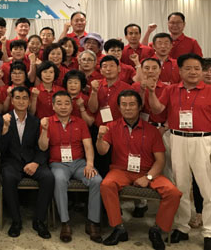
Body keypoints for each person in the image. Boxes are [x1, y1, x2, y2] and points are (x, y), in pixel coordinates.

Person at [97, 89, 181, 250]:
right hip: (121, 170)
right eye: (124, 105)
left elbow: (160, 161)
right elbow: (102, 151)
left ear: (140, 106)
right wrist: (100, 137)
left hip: (147, 171)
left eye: (132, 104)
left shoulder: (152, 131)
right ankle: (118, 228)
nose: (128, 108)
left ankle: (157, 229)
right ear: (119, 107)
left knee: (173, 193)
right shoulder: (111, 127)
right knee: (106, 185)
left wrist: (148, 177)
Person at [148, 53, 211, 248]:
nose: (193, 72)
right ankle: (182, 227)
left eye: (197, 68)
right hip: (177, 139)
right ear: (180, 71)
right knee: (180, 186)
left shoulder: (209, 91)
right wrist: (151, 92)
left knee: (207, 188)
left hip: (203, 141)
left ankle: (209, 231)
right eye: (188, 68)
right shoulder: (171, 89)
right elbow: (157, 109)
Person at [38, 91, 102, 243]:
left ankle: (93, 222)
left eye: (67, 103)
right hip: (58, 163)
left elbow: (88, 146)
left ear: (72, 106)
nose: (63, 106)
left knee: (96, 180)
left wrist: (90, 164)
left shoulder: (80, 122)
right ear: (53, 106)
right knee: (59, 179)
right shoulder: (47, 122)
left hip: (79, 163)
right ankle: (65, 222)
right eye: (59, 103)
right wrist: (44, 130)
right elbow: (42, 147)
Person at [0, 86, 54, 239]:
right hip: (11, 162)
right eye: (17, 98)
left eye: (24, 98)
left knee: (48, 177)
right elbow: (0, 148)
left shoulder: (36, 121)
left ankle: (39, 221)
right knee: (8, 177)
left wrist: (36, 163)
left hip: (32, 161)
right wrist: (5, 128)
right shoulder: (3, 119)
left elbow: (43, 148)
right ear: (12, 100)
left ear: (29, 102)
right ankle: (16, 221)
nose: (21, 101)